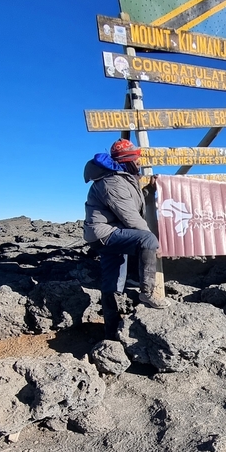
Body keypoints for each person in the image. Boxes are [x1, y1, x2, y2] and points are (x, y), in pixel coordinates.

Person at [84, 138, 170, 340]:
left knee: (113, 284)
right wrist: (153, 243)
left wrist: (149, 190)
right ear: (127, 160)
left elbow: (132, 203)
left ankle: (111, 334)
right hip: (106, 234)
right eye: (136, 158)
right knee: (147, 240)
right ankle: (147, 293)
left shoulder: (122, 178)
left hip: (108, 234)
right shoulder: (112, 182)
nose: (139, 162)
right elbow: (130, 217)